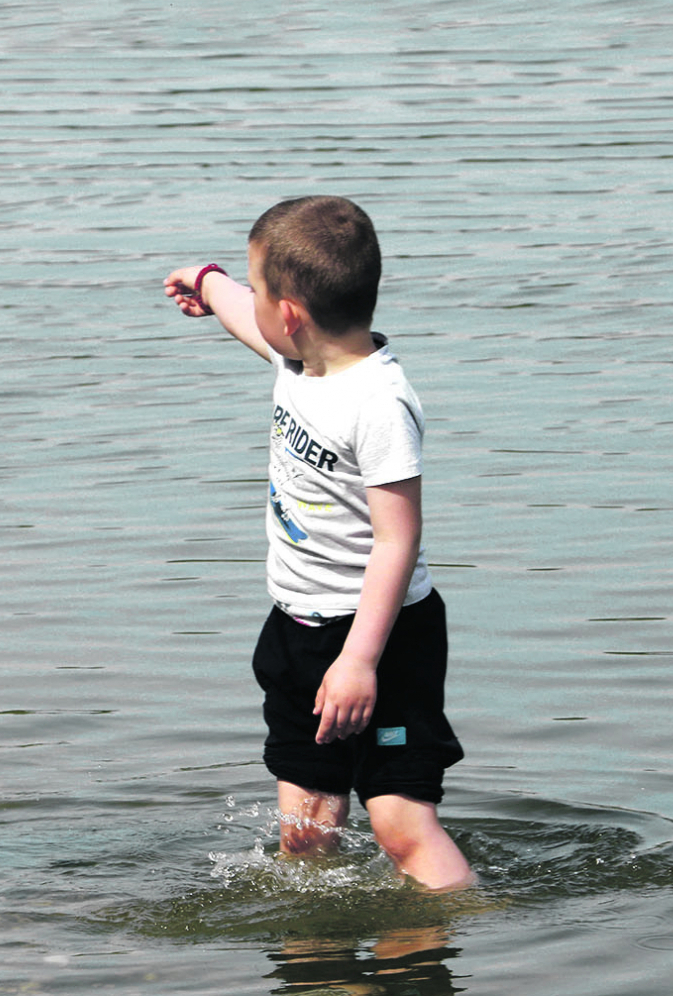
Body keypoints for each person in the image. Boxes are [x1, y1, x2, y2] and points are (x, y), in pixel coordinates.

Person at [162, 195, 476, 891]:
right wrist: (208, 282)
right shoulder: (299, 363)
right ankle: (316, 950)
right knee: (306, 834)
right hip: (298, 632)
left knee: (400, 827)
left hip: (386, 641)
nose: (248, 302)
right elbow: (241, 310)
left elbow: (398, 539)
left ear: (291, 315)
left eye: (256, 289)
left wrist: (359, 660)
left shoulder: (378, 401)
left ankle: (465, 926)